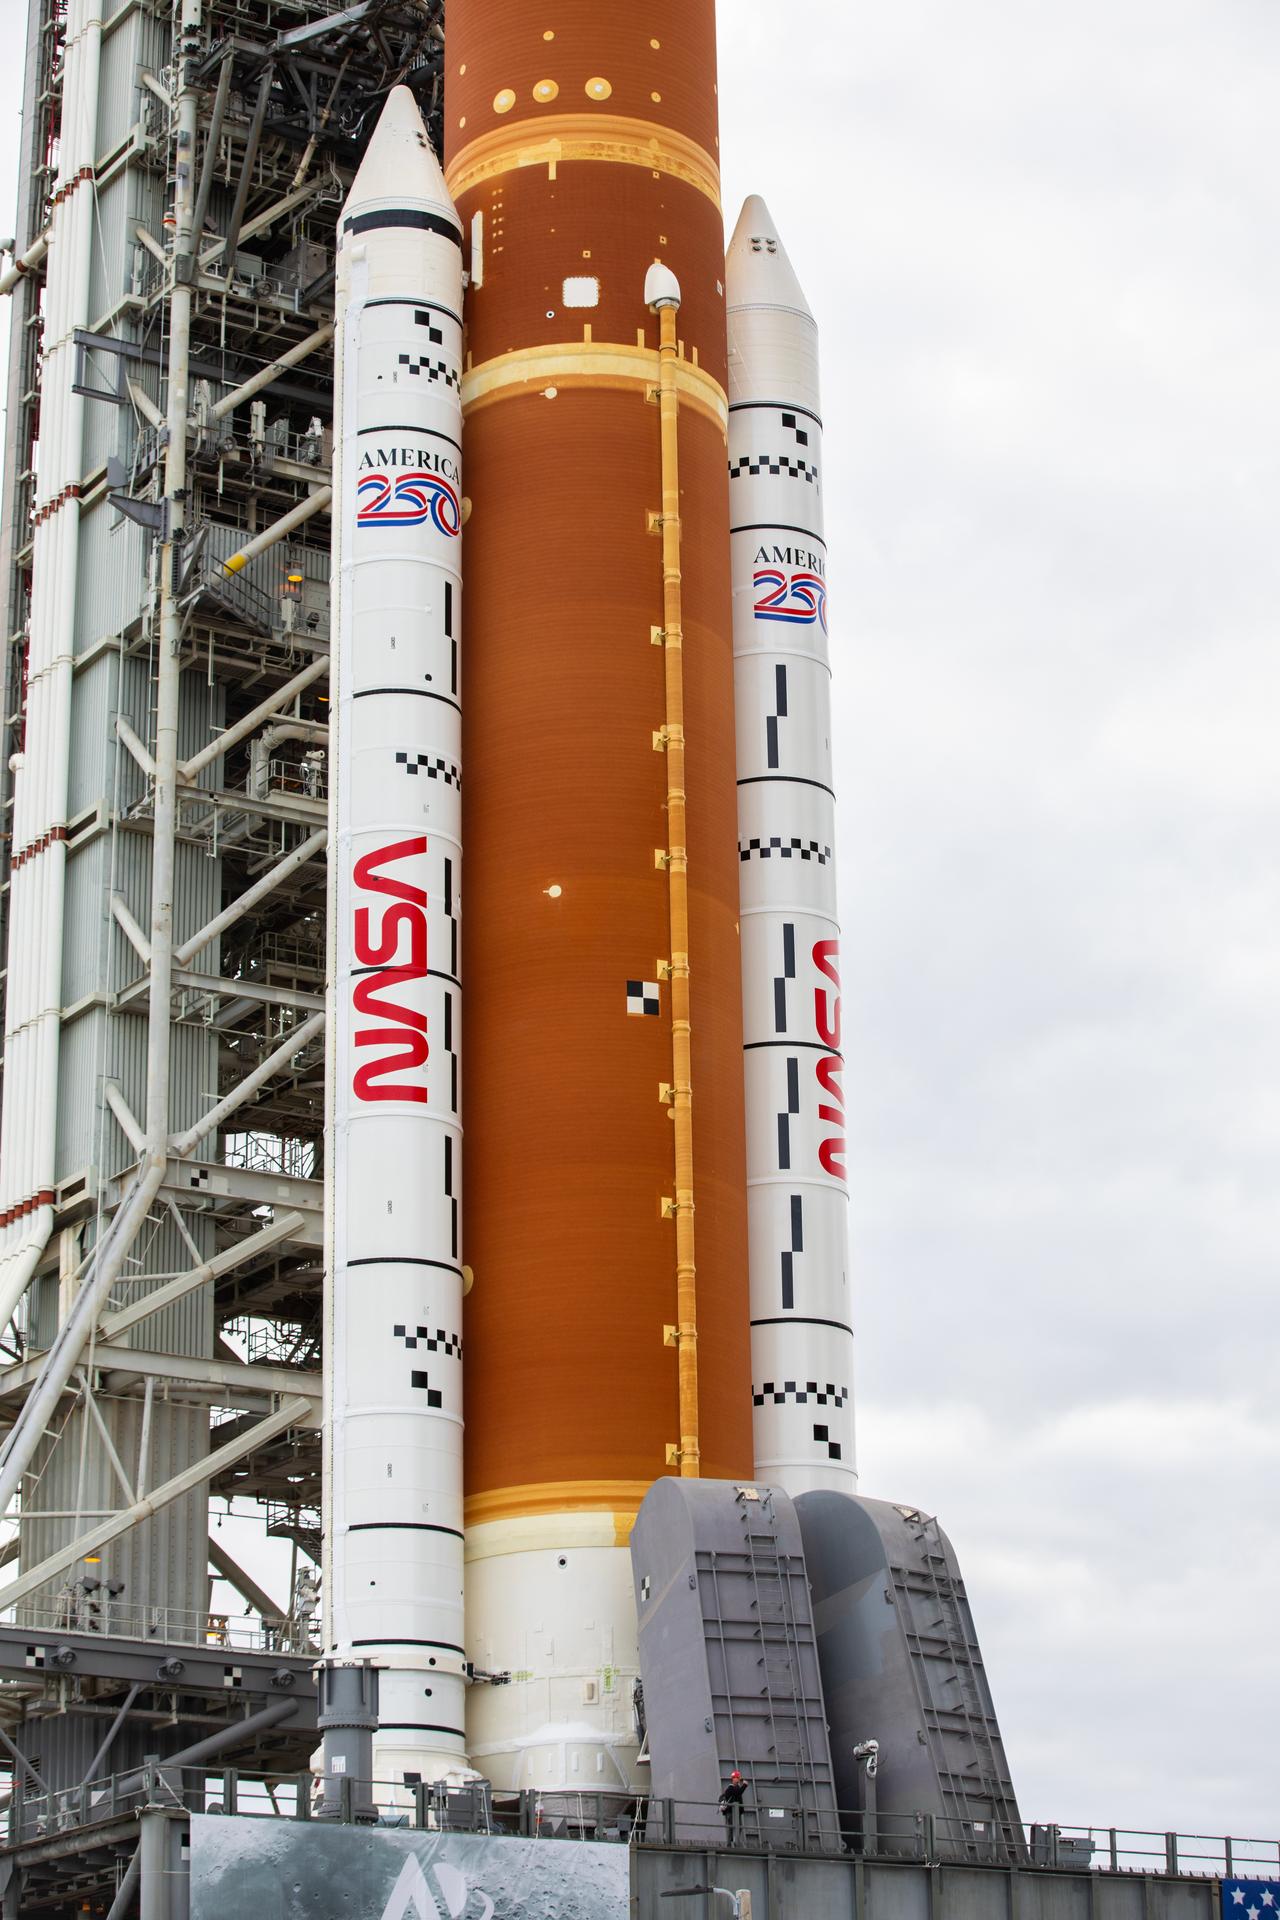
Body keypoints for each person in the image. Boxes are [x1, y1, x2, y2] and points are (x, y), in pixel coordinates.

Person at [719, 1769, 748, 1846]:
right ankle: (730, 1843)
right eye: (737, 1778)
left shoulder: (735, 1787)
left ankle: (734, 1841)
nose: (738, 1779)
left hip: (736, 1812)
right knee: (731, 1827)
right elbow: (738, 1792)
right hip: (730, 1811)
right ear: (733, 1779)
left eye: (738, 1778)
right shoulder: (730, 1788)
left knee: (739, 1826)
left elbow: (738, 1792)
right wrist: (744, 1785)